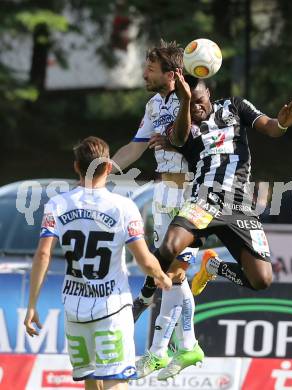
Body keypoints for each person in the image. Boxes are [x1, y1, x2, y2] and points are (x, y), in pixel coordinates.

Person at [137, 72, 292, 332]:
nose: (196, 108)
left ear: (210, 94)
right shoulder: (181, 126)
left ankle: (214, 266)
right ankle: (144, 298)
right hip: (205, 200)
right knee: (169, 246)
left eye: (199, 101)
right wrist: (184, 105)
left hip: (239, 206)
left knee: (261, 280)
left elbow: (270, 127)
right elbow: (177, 139)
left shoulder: (235, 107)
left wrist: (281, 124)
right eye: (189, 104)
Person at [24, 136, 172, 390]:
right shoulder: (124, 206)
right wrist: (162, 275)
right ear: (108, 167)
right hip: (112, 307)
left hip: (75, 308)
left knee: (91, 380)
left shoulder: (57, 204)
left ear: (76, 167)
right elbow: (144, 259)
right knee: (116, 380)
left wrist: (32, 305)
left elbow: (43, 255)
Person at [111, 41, 204, 380]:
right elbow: (136, 147)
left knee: (174, 273)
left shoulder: (196, 100)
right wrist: (105, 169)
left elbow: (205, 142)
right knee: (173, 276)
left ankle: (158, 351)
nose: (143, 73)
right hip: (164, 192)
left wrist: (175, 138)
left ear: (171, 74)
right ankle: (188, 344)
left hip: (192, 194)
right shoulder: (153, 105)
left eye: (150, 69)